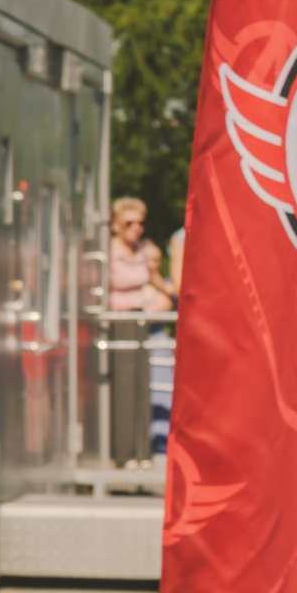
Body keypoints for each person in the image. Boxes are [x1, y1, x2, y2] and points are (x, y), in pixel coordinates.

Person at [107, 197, 169, 464]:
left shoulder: (145, 250)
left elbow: (164, 287)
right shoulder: (108, 252)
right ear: (115, 225)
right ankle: (123, 453)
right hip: (117, 324)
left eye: (140, 223)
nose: (136, 228)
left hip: (141, 323)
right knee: (122, 390)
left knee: (142, 389)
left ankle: (143, 452)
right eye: (128, 223)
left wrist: (161, 285)